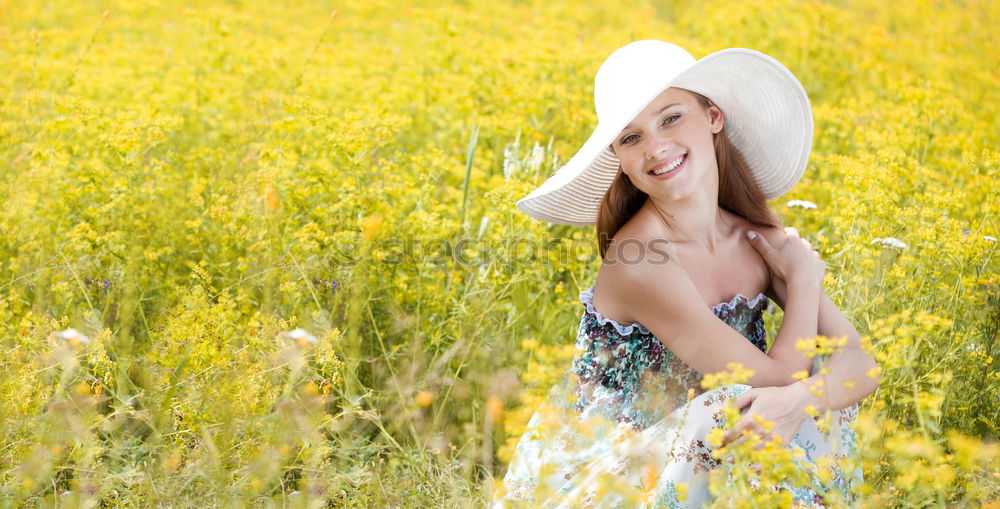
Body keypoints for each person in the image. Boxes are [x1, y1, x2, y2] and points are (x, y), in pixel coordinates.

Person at [493, 41, 881, 508]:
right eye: (631, 138)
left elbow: (861, 363)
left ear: (713, 117)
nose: (656, 147)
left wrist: (805, 398)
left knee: (813, 392)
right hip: (606, 472)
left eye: (671, 118)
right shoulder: (640, 259)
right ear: (620, 156)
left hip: (706, 458)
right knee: (731, 405)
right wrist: (802, 283)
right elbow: (773, 380)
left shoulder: (757, 239)